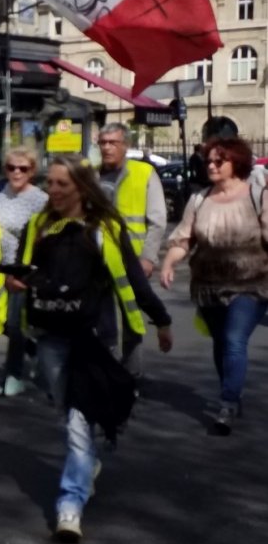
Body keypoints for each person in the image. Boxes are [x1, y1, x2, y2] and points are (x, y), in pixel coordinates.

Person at [6, 154, 172, 542]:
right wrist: (18, 283)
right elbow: (23, 269)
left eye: (62, 184)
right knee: (65, 410)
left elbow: (133, 279)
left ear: (81, 187)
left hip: (93, 338)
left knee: (79, 425)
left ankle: (70, 505)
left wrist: (160, 320)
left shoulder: (105, 229)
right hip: (49, 334)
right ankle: (87, 464)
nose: (53, 190)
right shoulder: (40, 226)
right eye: (50, 184)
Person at [160, 136, 268, 436]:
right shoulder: (200, 199)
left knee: (234, 340)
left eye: (219, 161)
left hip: (251, 284)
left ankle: (228, 403)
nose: (211, 165)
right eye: (208, 160)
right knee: (222, 344)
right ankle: (231, 390)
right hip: (208, 286)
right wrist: (169, 263)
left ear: (236, 163)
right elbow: (184, 238)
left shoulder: (257, 195)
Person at [97, 123, 167, 379]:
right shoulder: (93, 176)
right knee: (102, 321)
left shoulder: (144, 173)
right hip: (100, 260)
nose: (107, 148)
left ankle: (131, 375)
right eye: (103, 143)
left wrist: (148, 257)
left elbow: (158, 220)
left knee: (131, 319)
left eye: (112, 142)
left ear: (125, 145)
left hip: (133, 260)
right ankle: (108, 373)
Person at [0, 146, 48, 396]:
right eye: (11, 167)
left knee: (15, 324)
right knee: (2, 322)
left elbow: (43, 239)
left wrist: (30, 275)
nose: (16, 173)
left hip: (23, 270)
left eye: (23, 168)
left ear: (32, 170)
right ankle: (39, 355)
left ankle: (12, 377)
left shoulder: (40, 200)